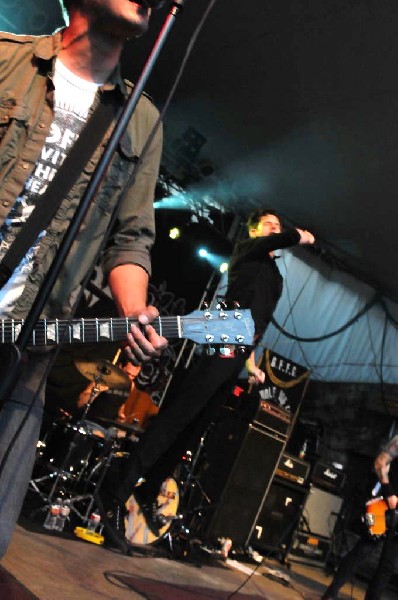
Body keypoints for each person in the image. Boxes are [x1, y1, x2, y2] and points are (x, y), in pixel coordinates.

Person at [0, 0, 168, 558]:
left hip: (26, 350)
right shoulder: (8, 60)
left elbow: (131, 239)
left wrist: (134, 311)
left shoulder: (141, 121)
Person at [103, 208, 315, 538]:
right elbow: (242, 314)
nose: (275, 229)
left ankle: (149, 488)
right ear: (256, 231)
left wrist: (251, 365)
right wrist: (297, 236)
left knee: (195, 428)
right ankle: (115, 493)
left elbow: (256, 323)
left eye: (278, 226)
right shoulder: (247, 249)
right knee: (178, 416)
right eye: (269, 226)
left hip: (240, 344)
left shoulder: (275, 276)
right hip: (224, 333)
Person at [322, 434, 398, 600]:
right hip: (380, 504)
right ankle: (331, 592)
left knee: (388, 565)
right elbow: (380, 462)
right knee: (363, 549)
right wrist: (388, 491)